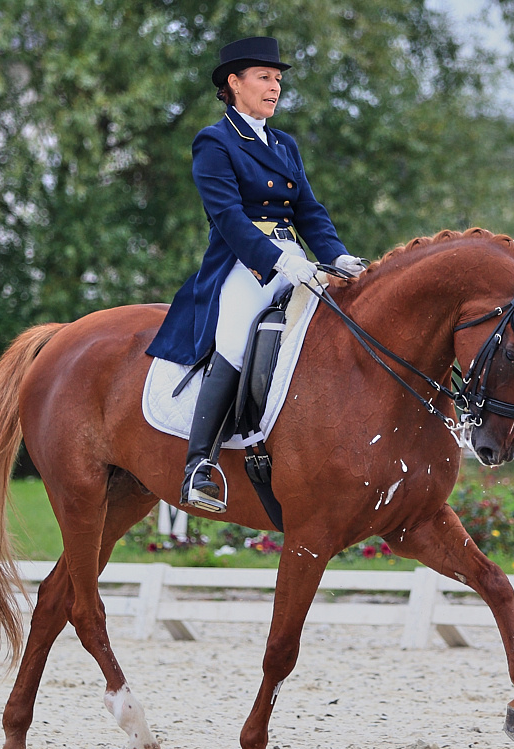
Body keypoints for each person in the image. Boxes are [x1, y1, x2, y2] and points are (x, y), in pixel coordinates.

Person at [147, 36, 365, 513]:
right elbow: (226, 216)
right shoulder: (216, 140)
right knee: (237, 335)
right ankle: (199, 465)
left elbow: (309, 210)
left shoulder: (284, 144)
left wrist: (338, 256)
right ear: (234, 82)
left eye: (278, 80)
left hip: (298, 260)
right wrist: (276, 259)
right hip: (244, 261)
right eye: (265, 78)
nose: (274, 88)